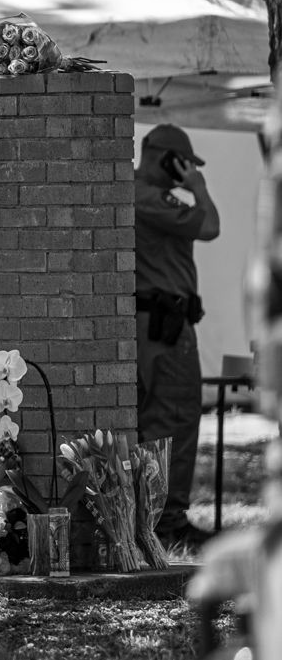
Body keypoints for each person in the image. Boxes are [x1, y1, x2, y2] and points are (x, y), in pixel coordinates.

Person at [134, 123, 221, 548]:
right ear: (170, 159)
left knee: (158, 420)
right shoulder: (149, 197)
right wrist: (199, 186)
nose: (186, 172)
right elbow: (210, 226)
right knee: (176, 418)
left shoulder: (140, 194)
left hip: (157, 325)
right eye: (183, 164)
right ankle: (167, 522)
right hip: (166, 330)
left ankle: (157, 517)